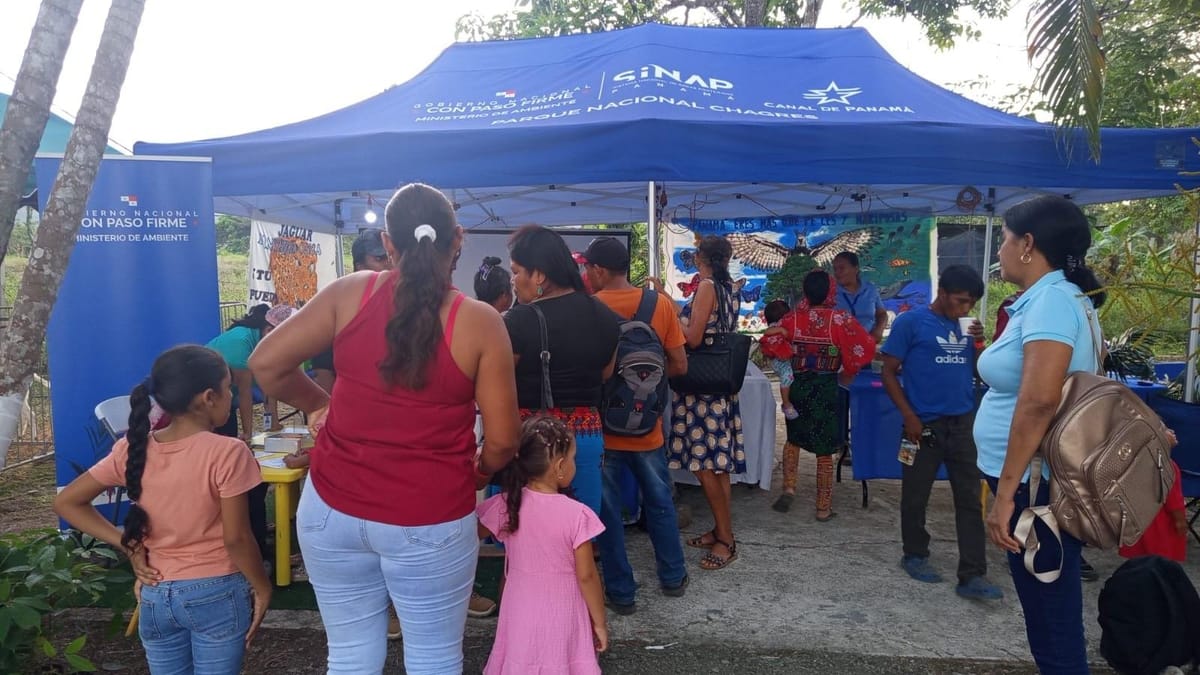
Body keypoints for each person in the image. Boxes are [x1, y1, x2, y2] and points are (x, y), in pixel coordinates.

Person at [248, 182, 521, 673]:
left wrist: (319, 404)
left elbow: (266, 364)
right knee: (434, 658)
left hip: (331, 507)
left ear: (388, 245)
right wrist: (479, 473)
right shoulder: (479, 322)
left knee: (350, 656)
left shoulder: (350, 292)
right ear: (457, 238)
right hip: (432, 512)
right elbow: (502, 440)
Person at [53, 345, 271, 673]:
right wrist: (263, 586)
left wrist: (127, 542)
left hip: (155, 594)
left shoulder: (131, 448)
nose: (232, 395)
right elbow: (237, 538)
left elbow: (66, 501)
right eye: (229, 388)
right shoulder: (229, 452)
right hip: (215, 592)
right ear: (209, 397)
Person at [976, 194, 1108, 674]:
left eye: (1005, 241)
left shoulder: (1052, 301)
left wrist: (1005, 495)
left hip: (1035, 486)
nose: (999, 252)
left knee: (1051, 618)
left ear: (1027, 244)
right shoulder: (1056, 297)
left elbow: (1038, 403)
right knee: (1049, 610)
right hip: (1039, 481)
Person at [879, 265, 1002, 600]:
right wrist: (909, 416)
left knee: (968, 499)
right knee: (915, 496)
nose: (964, 309)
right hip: (921, 426)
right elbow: (888, 373)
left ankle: (972, 574)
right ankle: (915, 554)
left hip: (962, 424)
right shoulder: (910, 323)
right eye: (960, 301)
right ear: (942, 293)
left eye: (970, 304)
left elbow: (977, 372)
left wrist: (978, 343)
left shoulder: (965, 326)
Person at [582, 236, 690, 614]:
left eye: (587, 267)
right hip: (649, 430)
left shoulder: (590, 309)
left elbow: (590, 372)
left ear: (597, 269)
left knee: (608, 512)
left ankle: (622, 594)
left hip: (605, 430)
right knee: (660, 503)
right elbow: (679, 365)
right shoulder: (659, 304)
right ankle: (673, 576)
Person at [504, 224, 621, 518]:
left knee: (520, 534)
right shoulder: (606, 317)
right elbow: (605, 374)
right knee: (578, 533)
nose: (513, 281)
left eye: (517, 271)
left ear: (539, 274)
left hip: (532, 446)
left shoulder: (517, 321)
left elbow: (500, 384)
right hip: (586, 440)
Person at [476, 416, 607, 675]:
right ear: (559, 466)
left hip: (518, 607)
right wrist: (600, 622)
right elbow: (587, 576)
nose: (573, 465)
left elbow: (468, 539)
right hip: (564, 610)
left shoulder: (506, 505)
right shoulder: (577, 515)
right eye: (572, 459)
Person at [769, 270, 875, 519]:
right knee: (825, 449)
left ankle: (789, 487)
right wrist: (847, 371)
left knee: (793, 438)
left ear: (805, 291)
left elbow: (771, 345)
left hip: (798, 385)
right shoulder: (840, 319)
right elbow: (863, 348)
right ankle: (823, 507)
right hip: (827, 387)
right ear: (830, 291)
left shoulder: (791, 320)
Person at [668, 235, 746, 571]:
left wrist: (671, 309)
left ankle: (726, 539)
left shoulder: (707, 287)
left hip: (701, 391)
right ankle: (719, 530)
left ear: (703, 258)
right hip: (718, 386)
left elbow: (693, 337)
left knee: (703, 466)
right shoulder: (732, 288)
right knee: (718, 466)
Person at [207, 302, 294, 564]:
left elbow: (271, 388)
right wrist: (247, 435)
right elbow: (244, 396)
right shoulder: (239, 346)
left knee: (250, 484)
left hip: (215, 414)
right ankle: (255, 550)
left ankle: (256, 540)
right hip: (208, 418)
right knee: (243, 483)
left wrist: (274, 425)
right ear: (269, 329)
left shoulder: (264, 343)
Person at [310, 229, 393, 393]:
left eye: (390, 258)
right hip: (355, 406)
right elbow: (323, 369)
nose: (388, 264)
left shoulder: (402, 302)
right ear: (359, 267)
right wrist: (322, 408)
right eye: (379, 259)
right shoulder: (339, 305)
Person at [761, 299, 799, 421]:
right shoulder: (776, 327)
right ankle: (786, 404)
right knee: (787, 377)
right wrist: (781, 330)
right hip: (779, 360)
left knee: (788, 378)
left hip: (783, 359)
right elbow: (767, 332)